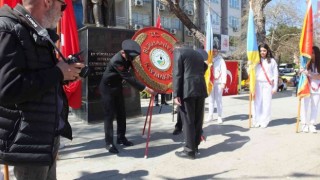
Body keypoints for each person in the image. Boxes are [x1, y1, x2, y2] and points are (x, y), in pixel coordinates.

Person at [0, 1, 85, 179]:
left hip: (46, 136)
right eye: (62, 6)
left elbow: (41, 79)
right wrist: (57, 72)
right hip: (28, 141)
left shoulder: (36, 31)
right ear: (47, 2)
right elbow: (7, 89)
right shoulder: (8, 29)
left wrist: (65, 74)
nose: (63, 12)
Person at [99, 39, 156, 154]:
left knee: (121, 113)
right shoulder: (117, 60)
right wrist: (146, 89)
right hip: (107, 89)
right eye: (131, 57)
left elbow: (136, 71)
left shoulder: (128, 58)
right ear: (124, 53)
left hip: (117, 87)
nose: (133, 59)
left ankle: (121, 138)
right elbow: (129, 78)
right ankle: (109, 143)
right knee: (109, 116)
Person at [173, 43, 208, 159]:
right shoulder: (197, 53)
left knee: (188, 120)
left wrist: (176, 94)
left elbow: (177, 74)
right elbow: (205, 67)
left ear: (177, 47)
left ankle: (189, 151)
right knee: (198, 119)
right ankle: (195, 146)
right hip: (200, 88)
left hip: (187, 90)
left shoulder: (179, 52)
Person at [252, 43, 278, 128]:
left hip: (268, 84)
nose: (262, 52)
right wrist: (249, 64)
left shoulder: (272, 61)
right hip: (258, 83)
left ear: (267, 51)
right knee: (257, 102)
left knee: (266, 103)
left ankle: (264, 121)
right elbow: (251, 72)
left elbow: (275, 74)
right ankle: (256, 120)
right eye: (261, 51)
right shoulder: (256, 61)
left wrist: (275, 87)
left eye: (264, 50)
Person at [300, 46, 320, 133]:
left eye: (312, 53)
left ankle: (312, 124)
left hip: (317, 88)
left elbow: (318, 76)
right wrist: (301, 71)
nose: (310, 54)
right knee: (304, 106)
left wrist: (309, 74)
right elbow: (301, 72)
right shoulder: (306, 62)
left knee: (314, 106)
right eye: (309, 53)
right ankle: (304, 124)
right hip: (306, 87)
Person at [207, 46, 227, 124]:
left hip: (218, 82)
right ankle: (210, 115)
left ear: (218, 52)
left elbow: (224, 71)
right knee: (211, 100)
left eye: (216, 51)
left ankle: (219, 116)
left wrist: (223, 82)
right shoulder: (209, 59)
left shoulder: (221, 60)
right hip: (211, 82)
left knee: (218, 100)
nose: (214, 52)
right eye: (213, 51)